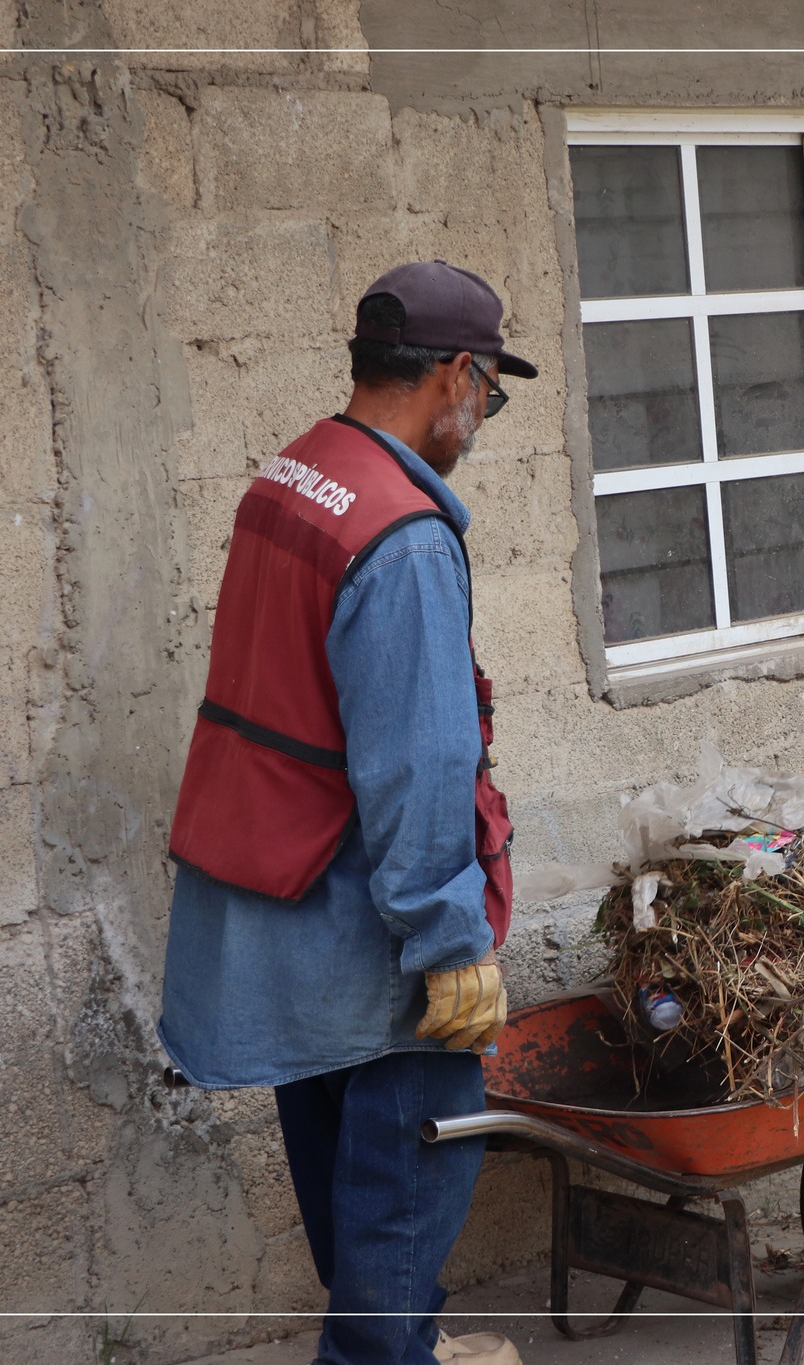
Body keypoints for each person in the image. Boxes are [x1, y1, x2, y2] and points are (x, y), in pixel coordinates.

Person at [159, 261, 536, 1365]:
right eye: (489, 397)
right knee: (392, 1245)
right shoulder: (405, 537)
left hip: (285, 934)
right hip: (372, 954)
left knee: (360, 1237)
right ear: (456, 376)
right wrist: (450, 944)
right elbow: (418, 763)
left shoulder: (296, 475)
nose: (479, 421)